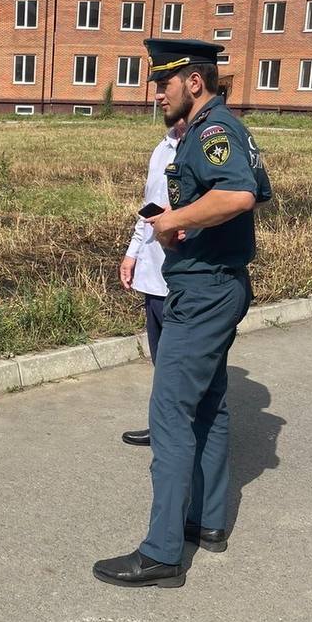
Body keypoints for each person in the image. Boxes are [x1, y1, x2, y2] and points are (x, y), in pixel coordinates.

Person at [94, 38, 272, 589]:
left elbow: (240, 196)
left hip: (203, 290)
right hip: (214, 285)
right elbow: (254, 190)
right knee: (211, 405)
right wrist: (180, 220)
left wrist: (173, 222)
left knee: (170, 417)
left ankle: (162, 553)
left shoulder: (214, 131)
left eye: (163, 83)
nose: (156, 94)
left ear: (193, 82)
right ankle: (207, 521)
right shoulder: (210, 130)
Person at [119, 116, 187, 446]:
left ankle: (182, 433)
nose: (160, 96)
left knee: (180, 364)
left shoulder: (198, 149)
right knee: (161, 360)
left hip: (182, 276)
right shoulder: (162, 148)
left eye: (166, 87)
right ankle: (162, 427)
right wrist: (132, 253)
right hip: (153, 277)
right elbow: (148, 212)